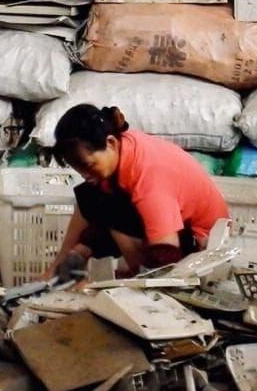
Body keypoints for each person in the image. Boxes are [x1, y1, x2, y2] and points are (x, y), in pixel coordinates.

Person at [43, 104, 230, 279]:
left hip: (202, 249)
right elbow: (90, 210)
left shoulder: (149, 177)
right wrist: (69, 259)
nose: (85, 175)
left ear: (110, 143)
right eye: (78, 169)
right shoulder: (122, 148)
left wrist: (131, 285)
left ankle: (138, 275)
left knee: (111, 209)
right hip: (175, 230)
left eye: (88, 166)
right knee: (91, 194)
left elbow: (165, 256)